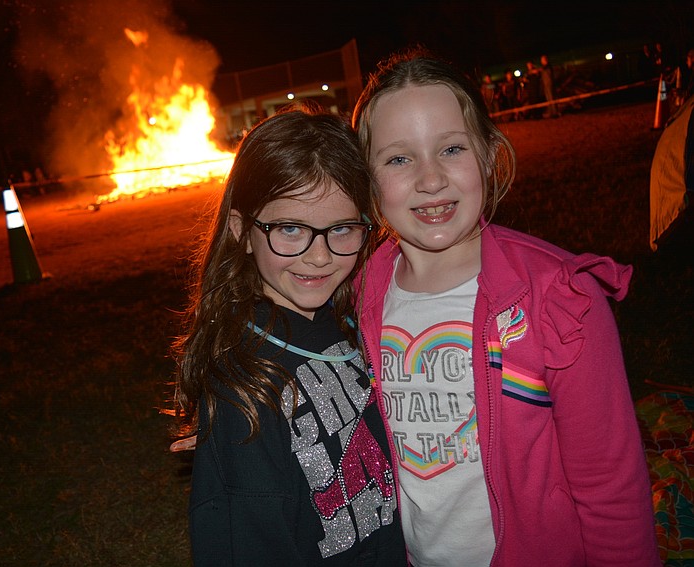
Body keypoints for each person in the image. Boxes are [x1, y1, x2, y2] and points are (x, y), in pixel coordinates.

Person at [351, 48, 661, 566]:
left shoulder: (558, 298)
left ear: (489, 155)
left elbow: (610, 487)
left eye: (451, 149)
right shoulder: (358, 295)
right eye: (399, 158)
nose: (430, 180)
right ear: (366, 178)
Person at [173, 104, 405, 566]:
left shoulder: (359, 319)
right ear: (242, 230)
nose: (318, 257)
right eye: (291, 229)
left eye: (341, 229)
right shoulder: (243, 380)